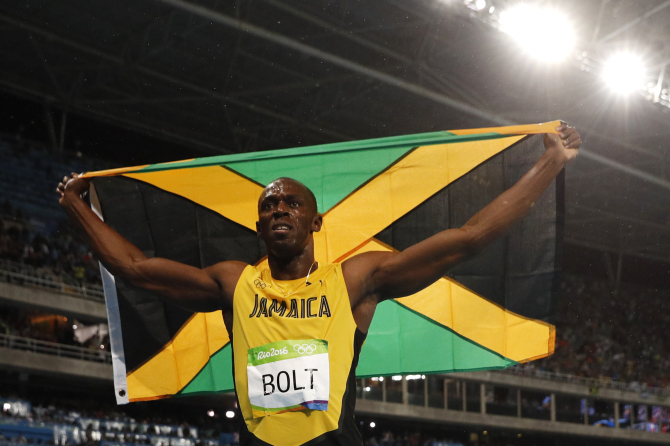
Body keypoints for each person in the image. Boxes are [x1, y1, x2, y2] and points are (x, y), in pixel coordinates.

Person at [57, 125, 581, 446]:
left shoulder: (355, 279)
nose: (278, 208)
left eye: (291, 203)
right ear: (258, 226)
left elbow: (466, 239)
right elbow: (135, 269)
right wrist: (76, 206)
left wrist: (548, 162)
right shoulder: (232, 281)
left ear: (316, 222)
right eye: (268, 205)